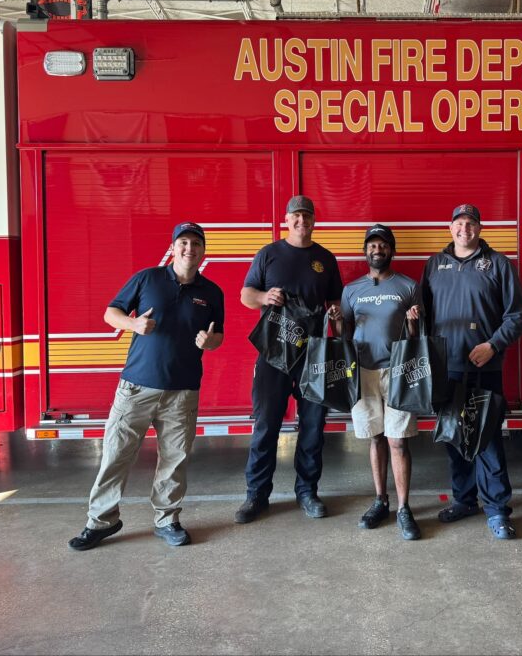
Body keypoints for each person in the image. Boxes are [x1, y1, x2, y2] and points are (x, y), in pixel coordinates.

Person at [68, 221, 224, 551]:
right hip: (135, 389)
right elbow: (111, 313)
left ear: (203, 251)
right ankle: (101, 521)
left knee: (174, 460)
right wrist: (133, 324)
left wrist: (210, 342)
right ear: (173, 247)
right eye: (183, 242)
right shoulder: (147, 278)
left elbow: (219, 335)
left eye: (196, 243)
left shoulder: (212, 293)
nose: (189, 249)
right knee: (115, 455)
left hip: (182, 391)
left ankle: (167, 519)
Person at [421, 204, 522, 540]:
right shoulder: (434, 265)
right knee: (455, 437)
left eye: (470, 223)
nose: (463, 229)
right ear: (449, 228)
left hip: (485, 367)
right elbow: (423, 314)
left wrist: (492, 345)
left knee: (487, 440)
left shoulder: (498, 265)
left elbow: (518, 316)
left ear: (479, 229)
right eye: (458, 223)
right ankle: (464, 500)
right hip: (446, 369)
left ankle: (497, 511)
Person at [235, 195, 343, 523]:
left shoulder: (325, 258)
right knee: (266, 423)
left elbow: (336, 300)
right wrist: (264, 296)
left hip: (313, 354)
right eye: (295, 216)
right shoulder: (269, 254)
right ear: (286, 220)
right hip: (274, 352)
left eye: (307, 216)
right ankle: (256, 496)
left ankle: (307, 491)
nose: (301, 221)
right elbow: (245, 295)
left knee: (313, 424)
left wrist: (336, 313)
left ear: (313, 221)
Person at [335, 224, 422, 540]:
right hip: (363, 373)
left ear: (392, 251)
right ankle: (380, 501)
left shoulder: (408, 286)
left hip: (399, 372)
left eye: (383, 245)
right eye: (372, 245)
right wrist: (335, 321)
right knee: (375, 438)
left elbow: (418, 338)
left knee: (398, 440)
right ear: (365, 251)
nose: (377, 250)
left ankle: (403, 508)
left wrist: (413, 324)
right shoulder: (351, 290)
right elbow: (343, 335)